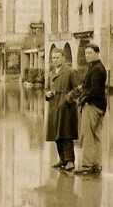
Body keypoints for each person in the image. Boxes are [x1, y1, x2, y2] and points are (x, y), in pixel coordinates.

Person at [72, 44, 107, 175]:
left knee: (87, 135)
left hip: (92, 106)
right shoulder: (98, 67)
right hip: (101, 105)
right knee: (97, 135)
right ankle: (97, 164)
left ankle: (86, 164)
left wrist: (83, 100)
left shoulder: (96, 69)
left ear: (97, 53)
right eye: (86, 53)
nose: (87, 56)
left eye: (90, 53)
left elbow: (95, 90)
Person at [44, 48, 80, 172]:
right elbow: (46, 88)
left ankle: (70, 160)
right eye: (53, 58)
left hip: (66, 107)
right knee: (56, 132)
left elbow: (78, 89)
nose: (55, 60)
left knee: (66, 132)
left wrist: (67, 99)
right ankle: (62, 159)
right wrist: (47, 94)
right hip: (54, 106)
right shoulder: (51, 73)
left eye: (57, 57)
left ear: (63, 58)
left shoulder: (70, 72)